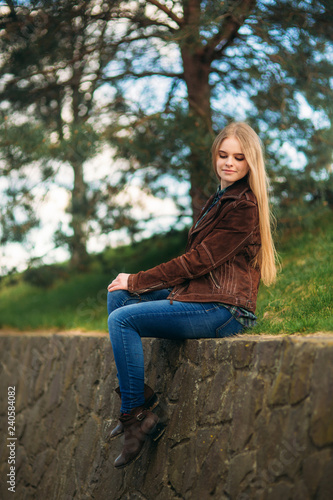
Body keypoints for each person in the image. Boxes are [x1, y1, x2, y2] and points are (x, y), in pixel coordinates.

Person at [107, 121, 277, 469]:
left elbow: (199, 261)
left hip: (224, 309)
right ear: (215, 155)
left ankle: (135, 416)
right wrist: (131, 284)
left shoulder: (243, 207)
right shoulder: (220, 198)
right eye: (223, 154)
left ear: (250, 164)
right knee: (118, 297)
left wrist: (138, 278)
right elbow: (196, 266)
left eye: (239, 158)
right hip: (202, 295)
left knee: (122, 318)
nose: (229, 163)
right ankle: (139, 404)